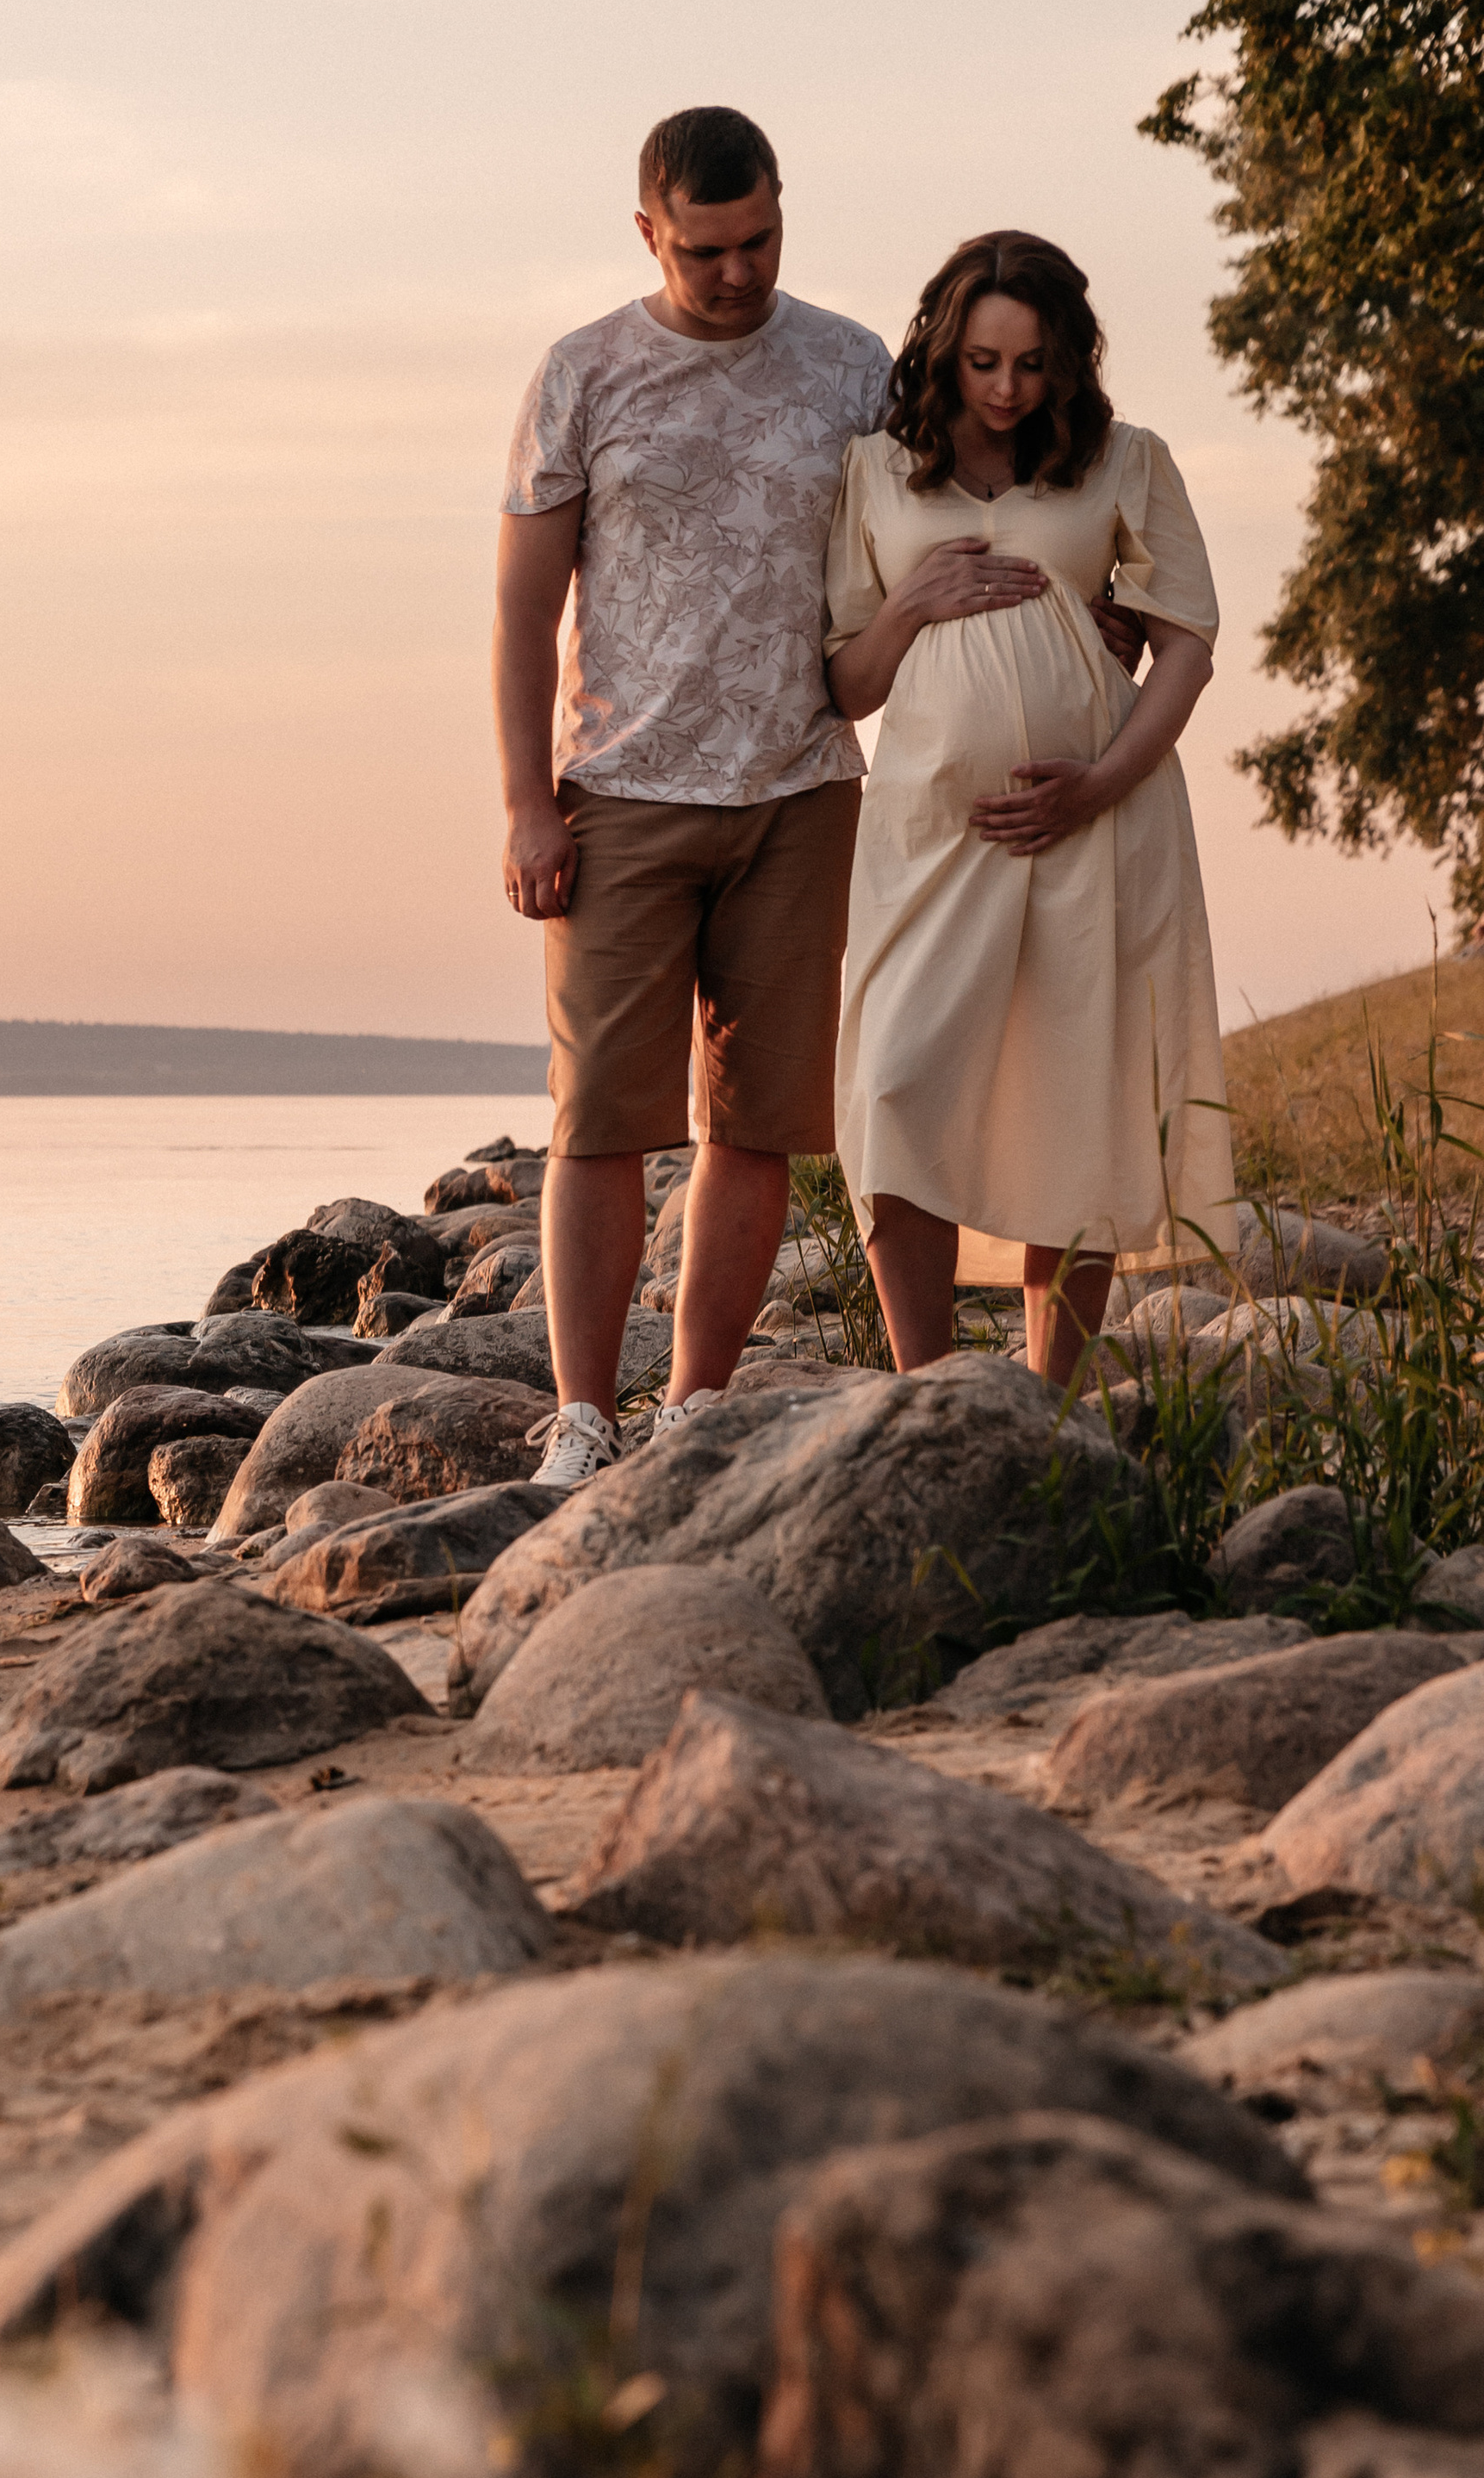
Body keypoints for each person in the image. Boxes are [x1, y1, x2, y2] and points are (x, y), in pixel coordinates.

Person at [494, 105, 891, 1487]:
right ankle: (584, 1416)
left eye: (761, 240)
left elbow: (932, 538)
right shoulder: (583, 374)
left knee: (759, 1120)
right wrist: (525, 803)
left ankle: (691, 1409)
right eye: (708, 250)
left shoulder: (853, 368)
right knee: (602, 1118)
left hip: (800, 784)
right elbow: (523, 606)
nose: (740, 273)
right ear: (650, 232)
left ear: (784, 207)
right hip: (621, 790)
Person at [823, 230, 1237, 1382]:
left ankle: (1050, 1408)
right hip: (930, 834)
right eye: (984, 364)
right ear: (943, 355)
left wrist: (1101, 784)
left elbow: (1188, 648)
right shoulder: (874, 472)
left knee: (1076, 1101)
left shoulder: (1124, 459)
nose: (1009, 390)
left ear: (1068, 362)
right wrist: (912, 607)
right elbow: (847, 684)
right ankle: (930, 1389)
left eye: (1034, 364)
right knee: (894, 1086)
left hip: (1100, 821)